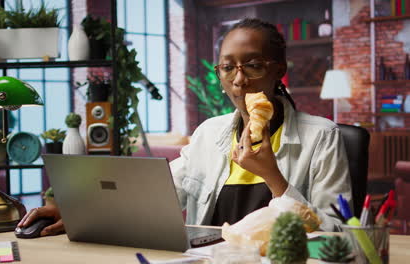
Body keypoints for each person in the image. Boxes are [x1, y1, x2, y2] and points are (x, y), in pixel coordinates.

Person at [18, 18, 352, 235]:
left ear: (277, 69)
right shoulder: (209, 133)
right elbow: (152, 196)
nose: (239, 80)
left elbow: (340, 234)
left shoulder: (321, 137)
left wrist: (274, 179)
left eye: (253, 66)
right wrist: (76, 209)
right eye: (227, 68)